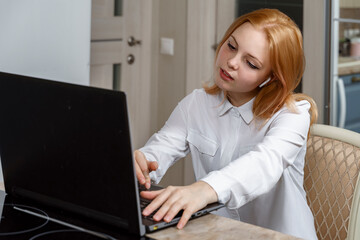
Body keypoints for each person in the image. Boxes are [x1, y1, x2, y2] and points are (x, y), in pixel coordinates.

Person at [134, 8, 318, 240]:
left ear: (271, 77)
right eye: (231, 46)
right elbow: (159, 151)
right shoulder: (196, 103)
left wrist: (204, 189)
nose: (231, 62)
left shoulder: (292, 116)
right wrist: (139, 165)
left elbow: (264, 164)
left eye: (250, 63)